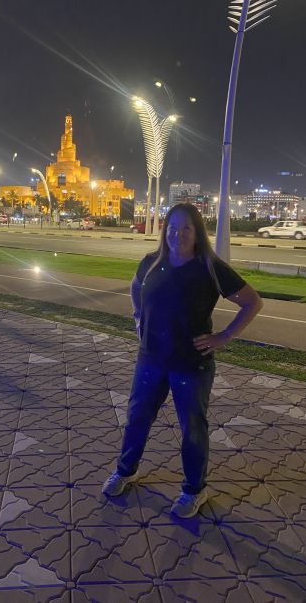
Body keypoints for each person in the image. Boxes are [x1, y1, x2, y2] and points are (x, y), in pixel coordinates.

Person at [102, 203, 262, 518]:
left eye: (186, 227)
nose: (178, 234)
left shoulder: (210, 268)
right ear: (165, 230)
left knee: (192, 429)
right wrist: (138, 317)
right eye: (173, 227)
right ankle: (126, 470)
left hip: (191, 365)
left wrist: (224, 336)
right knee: (137, 418)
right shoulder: (150, 263)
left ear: (197, 232)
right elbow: (136, 289)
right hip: (150, 360)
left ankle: (194, 490)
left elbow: (252, 302)